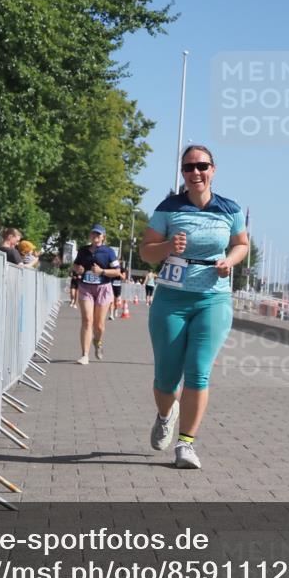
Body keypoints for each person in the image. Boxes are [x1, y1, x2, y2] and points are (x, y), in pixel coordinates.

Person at [141, 145, 248, 469]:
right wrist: (168, 246)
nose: (196, 173)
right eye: (189, 168)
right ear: (183, 173)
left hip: (212, 298)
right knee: (165, 379)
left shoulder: (229, 209)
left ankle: (186, 444)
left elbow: (242, 244)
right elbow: (146, 252)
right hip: (171, 300)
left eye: (202, 166)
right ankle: (165, 412)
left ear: (213, 169)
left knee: (198, 372)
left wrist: (229, 261)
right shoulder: (168, 208)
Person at [72, 225, 120, 364]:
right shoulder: (83, 250)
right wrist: (78, 269)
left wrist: (102, 272)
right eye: (93, 235)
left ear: (103, 237)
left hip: (103, 288)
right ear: (90, 236)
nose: (95, 237)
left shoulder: (109, 251)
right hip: (86, 287)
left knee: (99, 325)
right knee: (87, 319)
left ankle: (97, 342)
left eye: (98, 235)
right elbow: (75, 266)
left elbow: (117, 271)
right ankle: (84, 355)